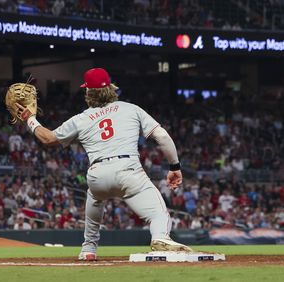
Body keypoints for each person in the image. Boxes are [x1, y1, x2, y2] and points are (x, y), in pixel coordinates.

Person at [16, 68, 193, 260]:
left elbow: (48, 138)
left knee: (94, 196)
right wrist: (174, 167)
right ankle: (160, 237)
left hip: (97, 175)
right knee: (159, 213)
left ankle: (88, 248)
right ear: (111, 88)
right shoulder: (131, 108)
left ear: (88, 92)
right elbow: (162, 136)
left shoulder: (81, 119)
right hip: (128, 171)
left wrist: (30, 119)